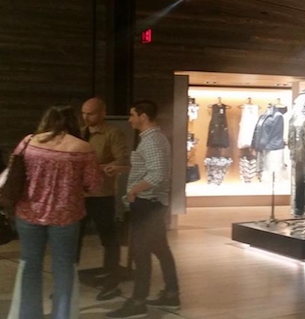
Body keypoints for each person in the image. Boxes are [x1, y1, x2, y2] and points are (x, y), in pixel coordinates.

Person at [7, 105, 99, 319]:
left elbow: (13, 170)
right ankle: (62, 315)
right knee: (64, 268)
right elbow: (93, 184)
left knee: (30, 265)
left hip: (28, 212)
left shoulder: (29, 141)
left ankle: (28, 315)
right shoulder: (82, 148)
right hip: (66, 216)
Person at [107, 100, 180, 319]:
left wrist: (134, 190)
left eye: (132, 115)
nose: (129, 120)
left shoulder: (152, 141)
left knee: (141, 253)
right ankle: (171, 294)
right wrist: (122, 169)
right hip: (152, 204)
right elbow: (149, 168)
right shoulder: (153, 139)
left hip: (147, 204)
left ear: (143, 116)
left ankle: (138, 301)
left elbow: (157, 175)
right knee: (160, 249)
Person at [78, 97, 130, 300]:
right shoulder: (79, 133)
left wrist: (96, 168)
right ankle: (67, 284)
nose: (86, 117)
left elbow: (122, 161)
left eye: (90, 113)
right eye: (84, 113)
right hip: (79, 195)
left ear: (102, 113)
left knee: (108, 238)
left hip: (101, 194)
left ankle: (111, 281)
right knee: (73, 239)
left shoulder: (112, 133)